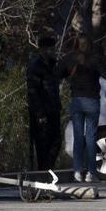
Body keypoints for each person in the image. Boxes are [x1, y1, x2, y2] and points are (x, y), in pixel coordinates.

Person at [56, 33, 106, 182]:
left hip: (76, 101)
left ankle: (77, 171)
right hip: (92, 101)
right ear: (90, 44)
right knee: (91, 137)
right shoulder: (95, 59)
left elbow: (57, 74)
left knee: (78, 137)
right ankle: (91, 173)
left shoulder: (70, 59)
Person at [26, 34, 63, 171]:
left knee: (56, 141)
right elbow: (33, 91)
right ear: (43, 50)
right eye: (50, 49)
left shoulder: (53, 65)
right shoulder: (35, 66)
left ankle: (48, 169)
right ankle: (43, 172)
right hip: (42, 112)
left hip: (53, 109)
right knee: (43, 144)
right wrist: (40, 113)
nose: (53, 51)